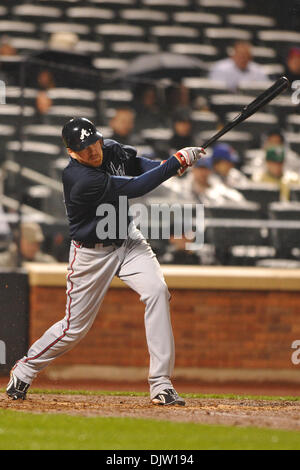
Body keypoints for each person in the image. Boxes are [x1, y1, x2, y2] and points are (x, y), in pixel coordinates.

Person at [6, 117, 205, 406]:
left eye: (94, 142)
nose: (93, 150)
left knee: (157, 292)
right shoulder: (79, 178)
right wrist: (173, 164)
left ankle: (161, 382)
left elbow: (139, 167)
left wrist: (167, 167)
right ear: (72, 153)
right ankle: (25, 368)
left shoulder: (109, 149)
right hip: (91, 254)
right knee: (74, 328)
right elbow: (135, 187)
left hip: (126, 239)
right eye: (84, 148)